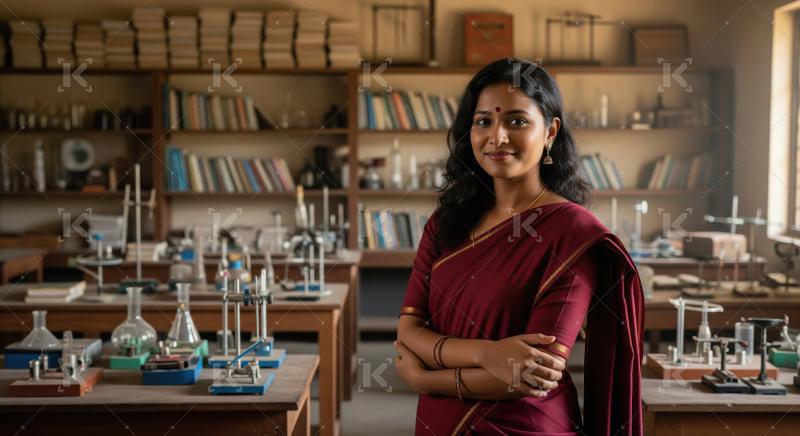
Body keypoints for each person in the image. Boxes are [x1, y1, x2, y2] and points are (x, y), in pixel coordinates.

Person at [395, 58, 644, 435]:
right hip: (437, 423)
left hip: (525, 425)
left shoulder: (573, 234)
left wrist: (424, 377)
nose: (497, 137)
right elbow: (408, 331)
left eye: (516, 121)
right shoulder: (445, 224)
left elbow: (533, 375)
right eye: (483, 121)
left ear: (550, 132)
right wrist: (487, 354)